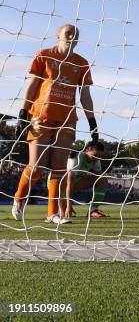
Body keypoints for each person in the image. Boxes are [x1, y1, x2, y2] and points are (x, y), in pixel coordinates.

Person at [12, 24, 99, 224]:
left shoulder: (82, 64)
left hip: (67, 120)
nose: (72, 36)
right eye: (68, 33)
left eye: (75, 34)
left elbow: (85, 95)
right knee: (36, 167)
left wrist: (92, 122)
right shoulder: (44, 55)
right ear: (58, 35)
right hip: (41, 118)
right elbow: (33, 85)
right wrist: (23, 112)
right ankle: (19, 197)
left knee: (59, 168)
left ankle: (52, 214)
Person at [59, 141, 111, 219]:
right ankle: (57, 206)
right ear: (87, 150)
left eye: (100, 156)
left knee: (102, 180)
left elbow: (98, 178)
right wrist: (68, 206)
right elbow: (69, 184)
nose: (98, 158)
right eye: (96, 155)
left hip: (75, 183)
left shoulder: (96, 160)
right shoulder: (76, 158)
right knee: (62, 215)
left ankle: (93, 210)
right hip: (59, 185)